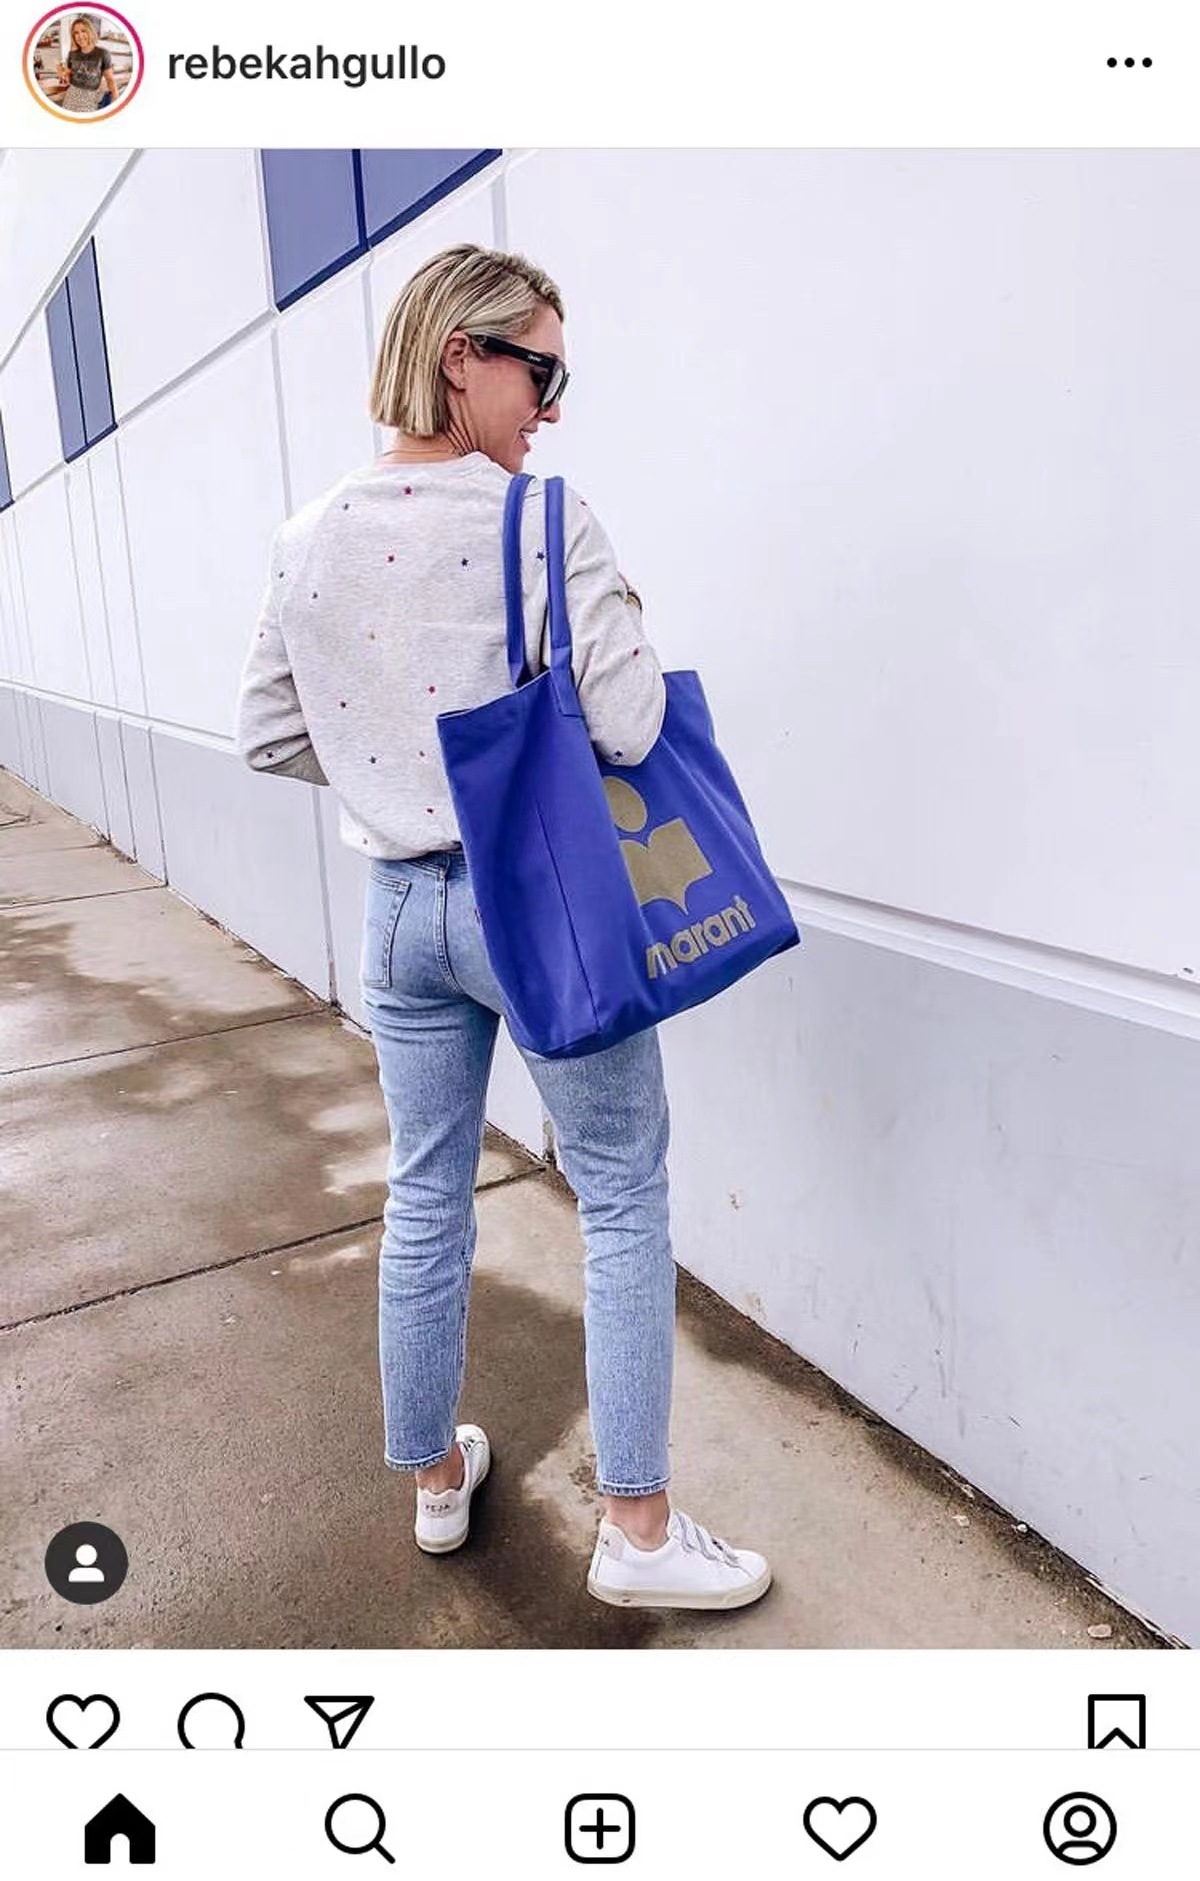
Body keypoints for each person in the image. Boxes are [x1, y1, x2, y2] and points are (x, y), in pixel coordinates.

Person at [236, 242, 771, 1612]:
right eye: (541, 371)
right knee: (622, 1189)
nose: (554, 405)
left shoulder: (307, 537)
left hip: (398, 915)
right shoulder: (543, 520)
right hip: (538, 909)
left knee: (426, 1190)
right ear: (459, 356)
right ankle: (638, 1529)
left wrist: (394, 781)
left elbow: (269, 734)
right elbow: (631, 726)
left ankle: (435, 1481)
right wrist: (615, 611)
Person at [55, 15, 117, 112]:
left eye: (83, 31)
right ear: (73, 36)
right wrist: (62, 74)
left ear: (90, 32)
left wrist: (116, 100)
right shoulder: (72, 54)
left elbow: (110, 80)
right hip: (71, 97)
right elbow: (68, 78)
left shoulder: (103, 53)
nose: (80, 36)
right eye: (76, 33)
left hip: (90, 99)